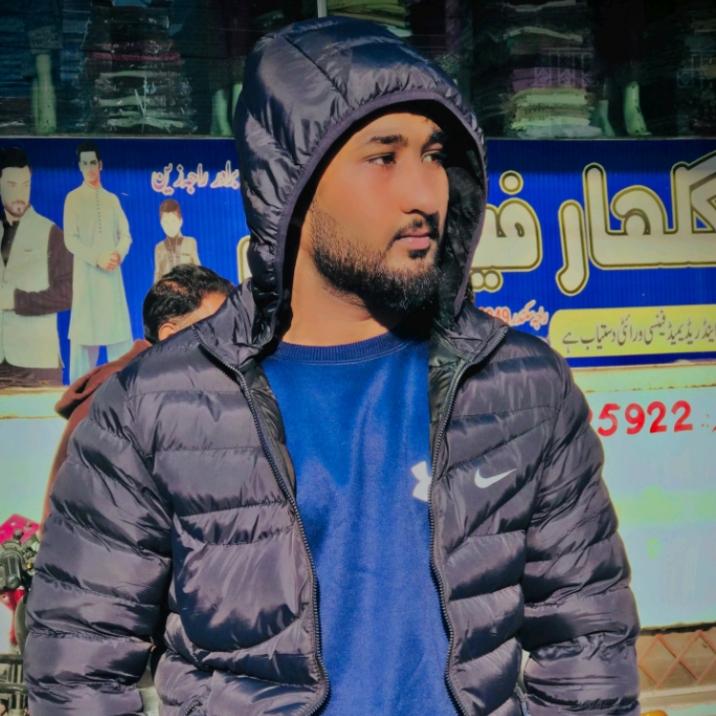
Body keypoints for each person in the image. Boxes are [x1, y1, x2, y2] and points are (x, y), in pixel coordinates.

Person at [24, 17, 640, 716]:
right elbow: (76, 668)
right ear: (292, 182)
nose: (424, 193)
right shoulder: (157, 404)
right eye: (383, 157)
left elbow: (588, 642)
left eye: (434, 155)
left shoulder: (520, 387)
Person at [41, 264, 232, 528]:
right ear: (170, 335)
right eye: (216, 331)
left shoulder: (172, 395)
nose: (231, 345)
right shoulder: (118, 400)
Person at [0, 147, 72, 388]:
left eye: (25, 185)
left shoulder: (50, 232)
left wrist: (16, 300)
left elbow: (68, 293)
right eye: (11, 185)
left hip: (37, 364)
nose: (20, 194)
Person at [63, 140, 134, 382]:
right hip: (87, 279)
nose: (89, 168)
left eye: (93, 162)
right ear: (79, 167)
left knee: (119, 339)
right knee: (85, 339)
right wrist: (97, 258)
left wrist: (118, 254)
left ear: (100, 164)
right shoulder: (73, 199)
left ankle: (124, 395)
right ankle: (78, 398)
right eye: (84, 163)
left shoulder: (112, 199)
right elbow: (70, 239)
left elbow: (126, 235)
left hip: (111, 278)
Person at [153, 199, 201, 282]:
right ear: (161, 224)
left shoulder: (190, 242)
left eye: (173, 221)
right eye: (165, 222)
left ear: (181, 221)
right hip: (168, 288)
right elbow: (158, 273)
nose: (170, 226)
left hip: (188, 286)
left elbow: (198, 268)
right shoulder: (159, 247)